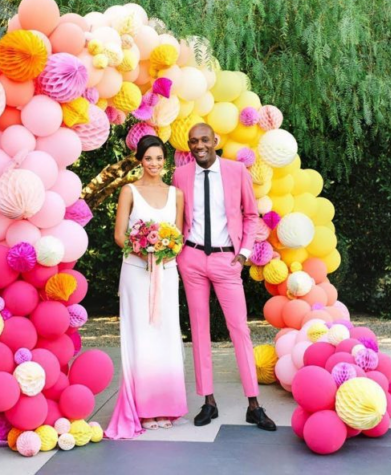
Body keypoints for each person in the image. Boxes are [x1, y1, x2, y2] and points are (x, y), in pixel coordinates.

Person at [172, 123, 276, 431]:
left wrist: (243, 253)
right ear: (189, 146)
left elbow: (250, 214)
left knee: (239, 329)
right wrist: (178, 254)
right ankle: (208, 401)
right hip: (191, 258)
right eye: (193, 141)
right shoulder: (180, 175)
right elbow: (177, 217)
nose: (198, 145)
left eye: (204, 140)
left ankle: (254, 404)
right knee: (199, 330)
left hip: (226, 258)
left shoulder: (236, 171)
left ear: (215, 141)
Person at [105, 135, 188, 439]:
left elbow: (177, 237)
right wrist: (143, 250)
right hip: (136, 273)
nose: (154, 164)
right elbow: (119, 235)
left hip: (166, 273)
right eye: (149, 158)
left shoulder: (176, 194)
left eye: (159, 158)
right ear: (140, 160)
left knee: (165, 334)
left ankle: (166, 405)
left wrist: (165, 250)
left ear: (165, 161)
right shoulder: (129, 191)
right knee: (141, 334)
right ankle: (142, 408)